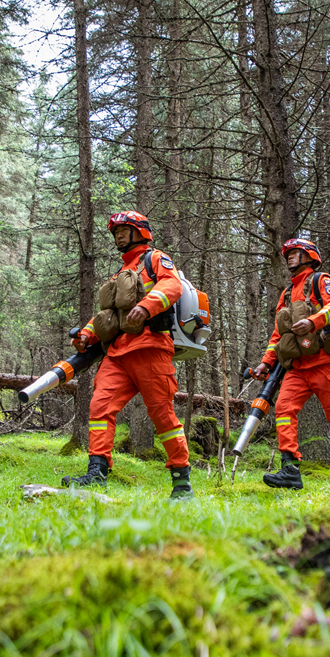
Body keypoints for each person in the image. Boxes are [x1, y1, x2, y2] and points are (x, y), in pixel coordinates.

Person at [63, 210, 194, 500]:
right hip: (118, 354)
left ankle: (181, 481)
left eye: (125, 229)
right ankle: (96, 473)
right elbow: (107, 315)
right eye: (116, 232)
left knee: (162, 415)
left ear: (141, 232)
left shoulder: (156, 259)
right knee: (99, 408)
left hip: (150, 348)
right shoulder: (120, 272)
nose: (119, 235)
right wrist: (87, 334)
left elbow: (171, 285)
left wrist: (146, 307)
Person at [249, 238, 330, 489]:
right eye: (288, 254)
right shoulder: (287, 292)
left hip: (326, 364)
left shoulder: (321, 280)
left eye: (295, 253)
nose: (290, 257)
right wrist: (265, 363)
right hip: (297, 368)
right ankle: (290, 469)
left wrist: (313, 322)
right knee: (283, 410)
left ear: (309, 256)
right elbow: (278, 335)